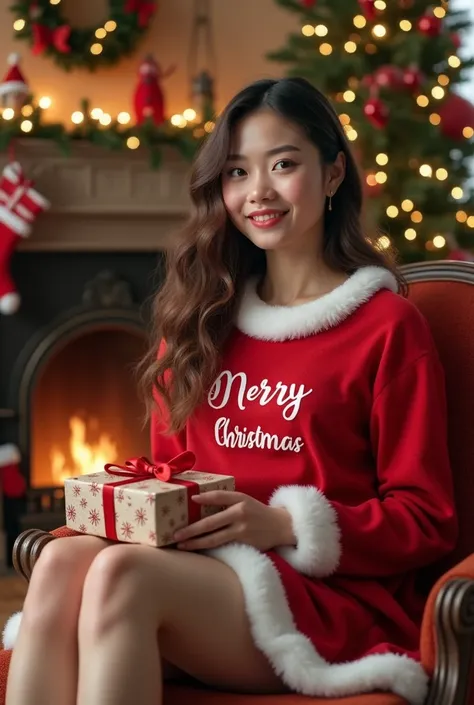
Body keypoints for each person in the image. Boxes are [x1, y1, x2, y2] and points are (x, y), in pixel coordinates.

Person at [4, 77, 457, 705]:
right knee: (60, 560)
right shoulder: (203, 318)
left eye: (284, 164)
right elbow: (170, 472)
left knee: (122, 576)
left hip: (320, 600)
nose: (259, 192)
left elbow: (426, 519)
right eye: (238, 172)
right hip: (196, 573)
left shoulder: (386, 326)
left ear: (332, 176)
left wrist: (281, 524)